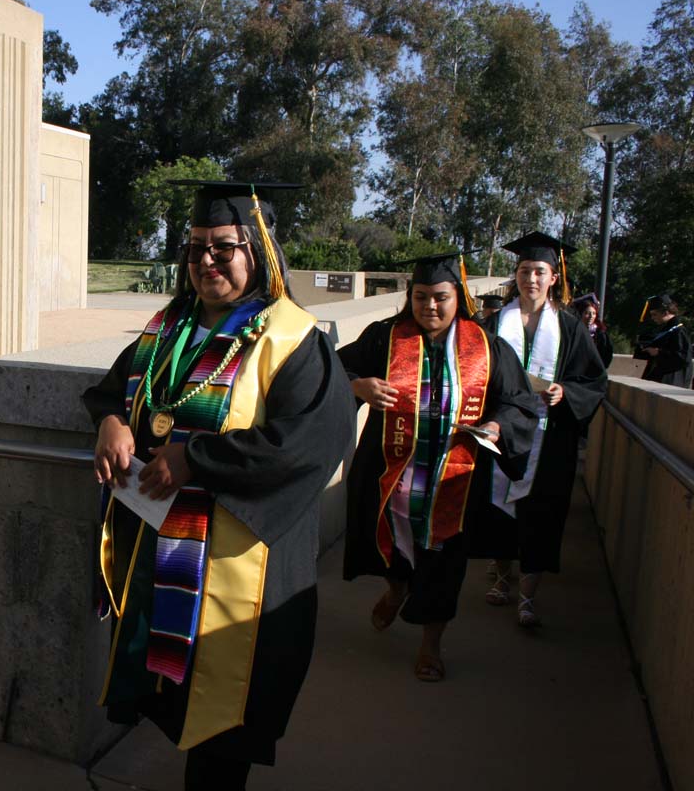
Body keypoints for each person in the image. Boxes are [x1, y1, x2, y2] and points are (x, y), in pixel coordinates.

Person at [82, 180, 354, 789]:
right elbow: (109, 389)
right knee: (174, 696)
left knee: (224, 726)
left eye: (223, 247)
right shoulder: (167, 329)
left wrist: (195, 460)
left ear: (257, 250)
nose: (206, 259)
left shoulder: (293, 339)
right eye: (195, 246)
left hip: (242, 567)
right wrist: (107, 422)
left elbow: (309, 445)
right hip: (166, 551)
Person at [337, 252, 537, 682]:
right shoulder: (384, 337)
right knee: (387, 545)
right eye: (421, 296)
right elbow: (332, 367)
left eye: (440, 297)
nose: (429, 306)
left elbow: (519, 401)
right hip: (389, 473)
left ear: (457, 297)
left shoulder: (484, 346)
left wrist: (498, 425)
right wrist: (357, 385)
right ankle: (396, 590)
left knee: (445, 565)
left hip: (453, 480)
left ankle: (431, 644)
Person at [469, 232, 607, 627]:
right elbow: (476, 375)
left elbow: (594, 381)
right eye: (525, 270)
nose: (531, 278)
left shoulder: (569, 327)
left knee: (540, 514)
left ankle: (528, 598)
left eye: (539, 272)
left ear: (552, 278)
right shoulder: (494, 323)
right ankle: (499, 575)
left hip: (550, 441)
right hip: (502, 434)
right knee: (499, 509)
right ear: (517, 275)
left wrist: (566, 392)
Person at [633, 293, 693, 387]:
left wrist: (658, 352)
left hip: (672, 379)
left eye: (654, 314)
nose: (652, 318)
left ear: (665, 312)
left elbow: (683, 357)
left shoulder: (678, 331)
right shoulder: (667, 329)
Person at [573, 294, 614, 368]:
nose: (591, 316)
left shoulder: (600, 334)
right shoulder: (574, 332)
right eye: (587, 313)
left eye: (594, 313)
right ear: (580, 314)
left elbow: (606, 355)